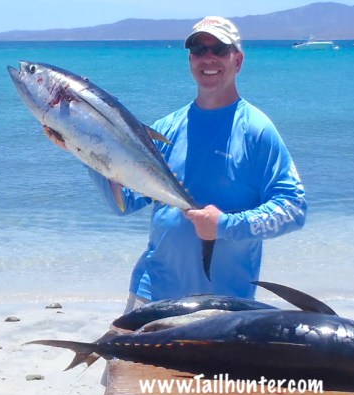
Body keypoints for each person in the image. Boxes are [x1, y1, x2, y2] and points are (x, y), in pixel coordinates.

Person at [50, 16, 307, 312]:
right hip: (151, 294)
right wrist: (82, 146)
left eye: (219, 49)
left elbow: (294, 209)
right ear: (190, 59)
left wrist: (225, 226)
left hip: (225, 306)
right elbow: (124, 203)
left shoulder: (257, 131)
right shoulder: (166, 128)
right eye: (198, 49)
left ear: (238, 60)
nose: (208, 57)